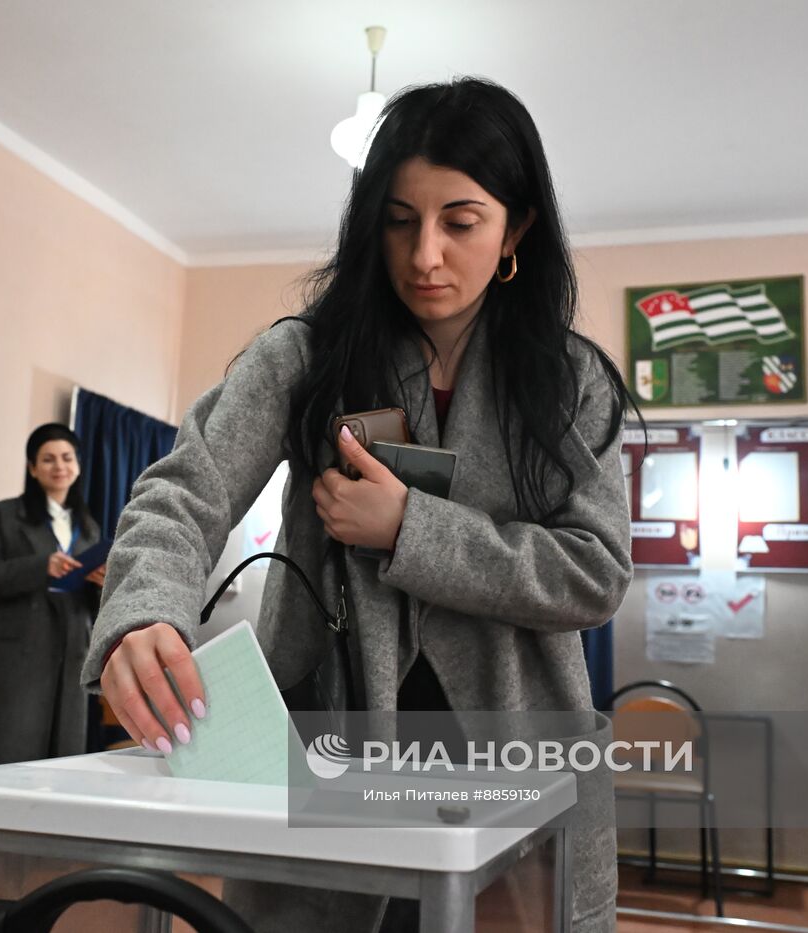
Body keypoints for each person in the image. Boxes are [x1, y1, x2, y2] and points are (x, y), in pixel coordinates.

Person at [82, 78, 634, 931]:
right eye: (400, 220)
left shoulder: (572, 382)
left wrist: (411, 527)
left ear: (516, 228)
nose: (425, 256)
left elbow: (594, 573)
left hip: (519, 767)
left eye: (461, 222)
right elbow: (183, 491)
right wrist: (141, 611)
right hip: (330, 760)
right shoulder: (303, 357)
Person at [0, 423, 106, 767]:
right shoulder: (5, 515)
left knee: (61, 765)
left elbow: (91, 606)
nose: (59, 466)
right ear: (32, 468)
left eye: (67, 458)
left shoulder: (88, 527)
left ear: (78, 465)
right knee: (2, 762)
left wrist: (99, 583)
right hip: (13, 659)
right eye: (48, 459)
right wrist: (42, 566)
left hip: (70, 656)